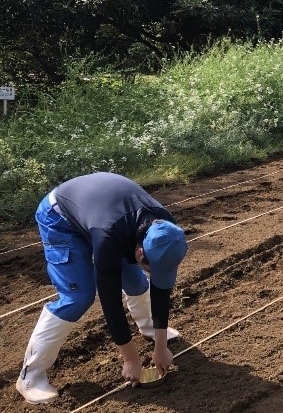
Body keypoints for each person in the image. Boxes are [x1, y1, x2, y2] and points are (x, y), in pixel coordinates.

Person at [17, 173, 188, 404]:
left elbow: (160, 289)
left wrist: (160, 345)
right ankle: (30, 377)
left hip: (104, 215)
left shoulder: (167, 232)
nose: (154, 273)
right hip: (61, 216)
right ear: (139, 252)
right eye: (151, 267)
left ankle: (149, 328)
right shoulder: (109, 238)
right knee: (78, 296)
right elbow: (110, 301)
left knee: (137, 282)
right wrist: (130, 359)